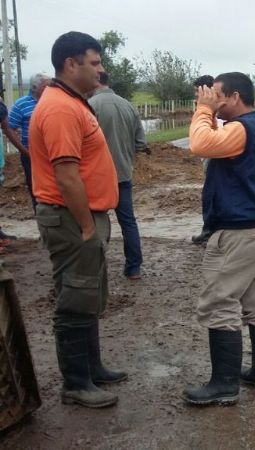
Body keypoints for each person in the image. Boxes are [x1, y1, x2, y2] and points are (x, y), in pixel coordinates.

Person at [29, 31, 126, 409]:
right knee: (75, 297)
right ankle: (76, 383)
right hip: (71, 218)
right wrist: (87, 225)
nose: (101, 70)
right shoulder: (60, 109)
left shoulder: (73, 102)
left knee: (88, 295)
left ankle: (93, 368)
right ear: (72, 64)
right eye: (95, 62)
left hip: (83, 216)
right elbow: (66, 174)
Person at [183, 72, 255, 406]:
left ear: (235, 97)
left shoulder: (240, 128)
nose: (214, 100)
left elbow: (198, 144)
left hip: (240, 232)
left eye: (218, 95)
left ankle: (224, 385)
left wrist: (202, 109)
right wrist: (211, 108)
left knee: (220, 302)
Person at [88, 72, 149, 280]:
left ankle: (94, 269)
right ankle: (134, 268)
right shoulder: (128, 105)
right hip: (123, 174)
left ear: (95, 82)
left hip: (95, 177)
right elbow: (141, 143)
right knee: (128, 222)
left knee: (94, 222)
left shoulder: (89, 106)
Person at [9, 72, 50, 209]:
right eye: (46, 85)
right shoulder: (21, 105)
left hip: (53, 154)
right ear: (35, 87)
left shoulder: (52, 102)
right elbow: (9, 128)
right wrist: (24, 151)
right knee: (36, 189)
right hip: (31, 156)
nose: (50, 87)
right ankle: (42, 218)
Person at [190, 75, 215, 245]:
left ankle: (209, 232)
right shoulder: (207, 108)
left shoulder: (213, 109)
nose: (195, 96)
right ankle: (209, 230)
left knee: (211, 195)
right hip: (209, 155)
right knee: (210, 195)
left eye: (196, 92)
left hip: (213, 155)